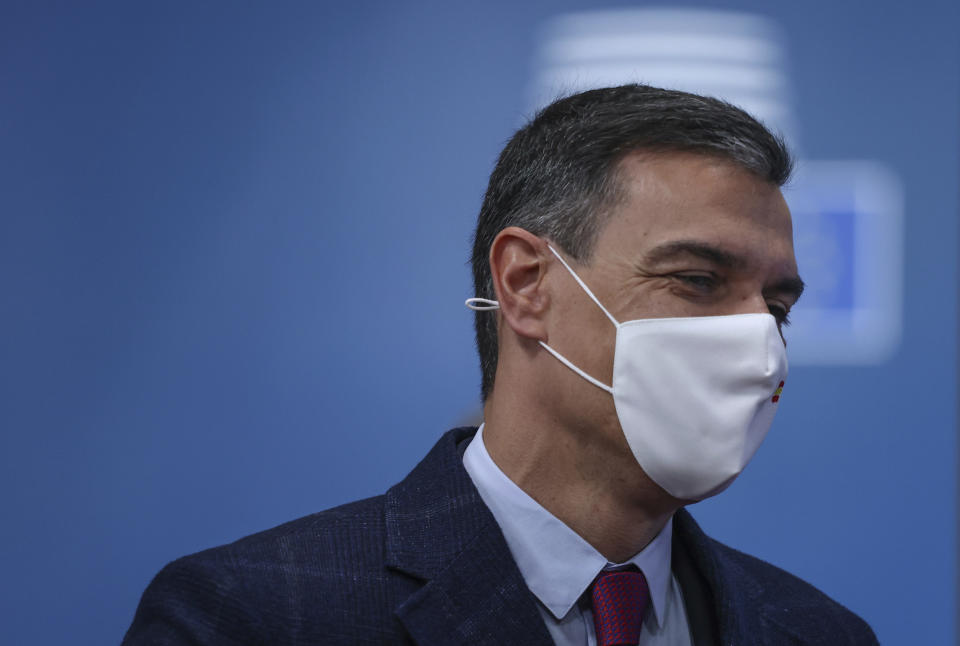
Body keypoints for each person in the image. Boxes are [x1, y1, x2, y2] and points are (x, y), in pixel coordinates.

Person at [123, 84, 878, 645]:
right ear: (526, 284)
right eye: (698, 280)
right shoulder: (252, 618)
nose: (759, 344)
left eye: (777, 307)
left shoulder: (821, 633)